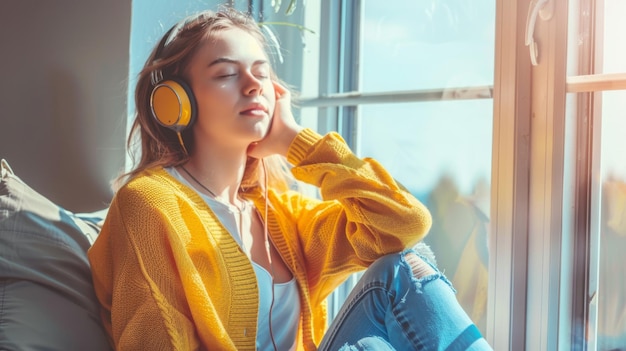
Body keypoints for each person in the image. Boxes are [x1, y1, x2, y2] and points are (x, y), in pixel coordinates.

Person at [87, 7, 493, 351]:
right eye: (226, 74)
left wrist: (295, 141)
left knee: (403, 270)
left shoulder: (280, 214)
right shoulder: (149, 203)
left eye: (261, 73)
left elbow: (403, 223)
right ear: (175, 101)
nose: (252, 86)